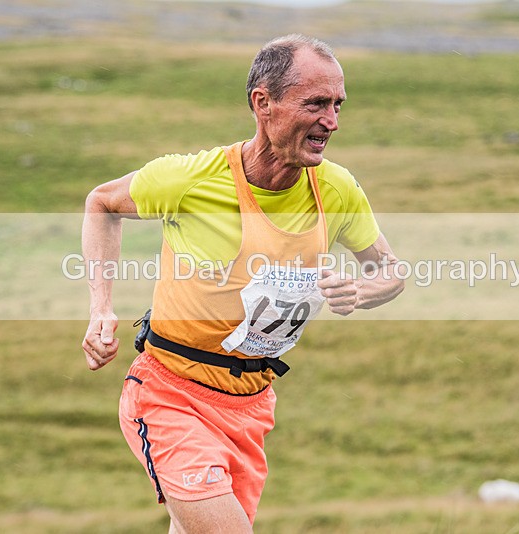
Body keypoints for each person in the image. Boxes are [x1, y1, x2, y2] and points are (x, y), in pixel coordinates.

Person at [81, 34, 404, 533]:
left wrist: (360, 291)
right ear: (263, 103)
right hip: (171, 396)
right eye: (315, 103)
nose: (332, 122)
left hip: (250, 409)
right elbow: (102, 203)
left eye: (338, 106)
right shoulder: (193, 179)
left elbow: (391, 270)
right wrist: (101, 308)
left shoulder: (336, 188)